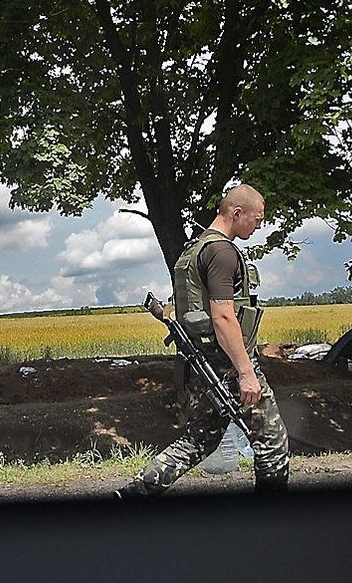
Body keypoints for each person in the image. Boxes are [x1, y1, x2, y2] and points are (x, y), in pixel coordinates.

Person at [115, 184, 289, 498]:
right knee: (271, 441)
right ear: (237, 214)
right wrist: (246, 372)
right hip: (229, 363)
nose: (259, 225)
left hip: (205, 360)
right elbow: (223, 316)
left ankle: (133, 495)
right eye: (256, 219)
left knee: (200, 440)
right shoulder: (222, 252)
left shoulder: (194, 249)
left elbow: (186, 306)